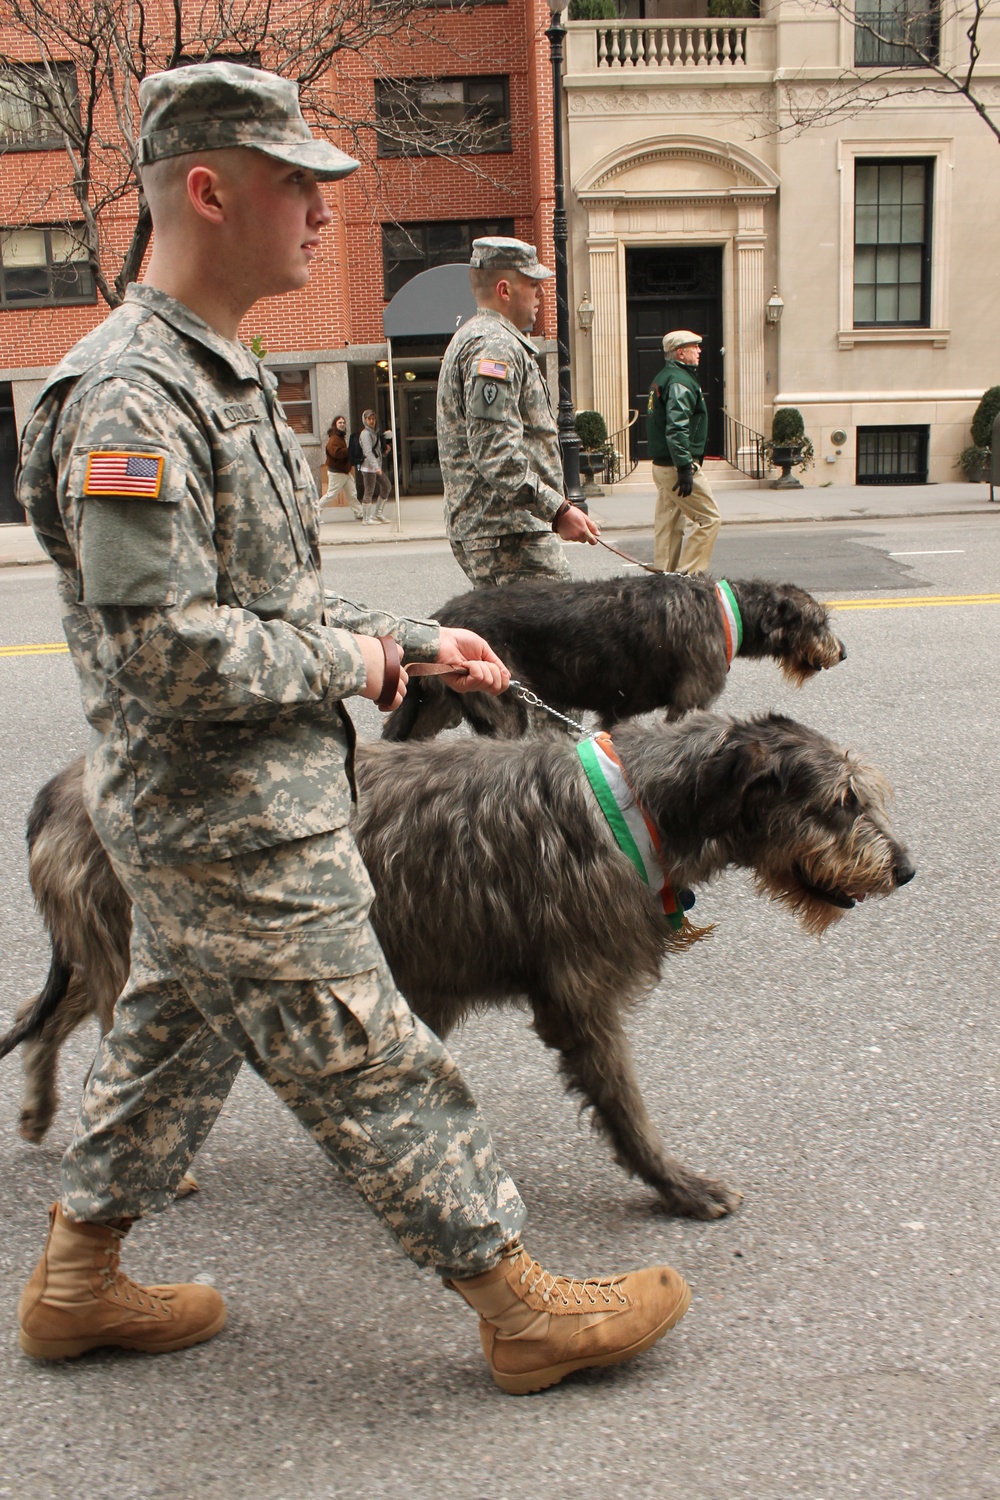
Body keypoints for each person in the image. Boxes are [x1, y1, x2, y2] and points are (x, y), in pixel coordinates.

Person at [14, 62, 690, 1395]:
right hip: (228, 817)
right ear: (209, 190)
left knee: (169, 1038)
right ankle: (519, 1305)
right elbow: (165, 647)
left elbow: (260, 592)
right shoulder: (134, 397)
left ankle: (76, 1286)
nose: (328, 211)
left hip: (229, 801)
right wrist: (360, 657)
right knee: (374, 1051)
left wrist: (418, 639)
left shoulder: (219, 376)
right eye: (298, 185)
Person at [437, 236, 601, 588]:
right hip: (507, 532)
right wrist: (557, 510)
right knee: (558, 632)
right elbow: (496, 453)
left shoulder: (481, 339)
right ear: (505, 290)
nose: (541, 294)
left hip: (503, 528)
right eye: (533, 284)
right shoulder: (494, 346)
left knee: (517, 641)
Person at [647, 330, 721, 575]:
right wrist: (685, 467)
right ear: (681, 352)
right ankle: (688, 576)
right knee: (709, 519)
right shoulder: (680, 381)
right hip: (676, 466)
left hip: (662, 465)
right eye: (694, 347)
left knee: (669, 525)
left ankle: (663, 579)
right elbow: (677, 427)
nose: (699, 351)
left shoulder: (664, 377)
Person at [322, 414, 362, 518]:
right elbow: (337, 453)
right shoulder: (334, 438)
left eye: (344, 422)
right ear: (335, 425)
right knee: (331, 495)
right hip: (337, 472)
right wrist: (350, 450)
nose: (342, 424)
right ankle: (314, 512)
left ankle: (360, 513)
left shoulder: (339, 437)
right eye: (340, 422)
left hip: (344, 471)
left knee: (352, 494)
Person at [359, 408, 391, 525]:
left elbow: (375, 451)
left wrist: (384, 452)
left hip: (375, 466)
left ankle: (378, 513)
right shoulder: (365, 434)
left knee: (386, 486)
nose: (372, 421)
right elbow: (367, 452)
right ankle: (366, 518)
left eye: (373, 419)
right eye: (369, 419)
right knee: (369, 491)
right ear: (365, 420)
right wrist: (376, 466)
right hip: (369, 468)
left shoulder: (374, 432)